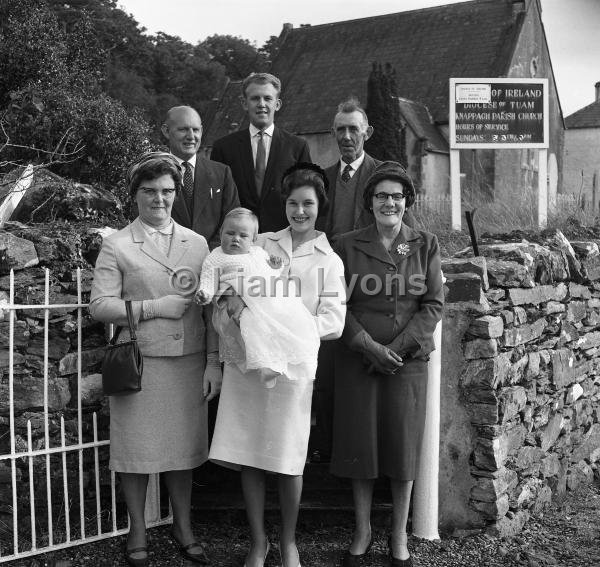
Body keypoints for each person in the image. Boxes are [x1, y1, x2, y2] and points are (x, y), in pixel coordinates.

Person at [208, 164, 346, 567]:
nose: (299, 211)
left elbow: (333, 322)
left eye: (307, 204)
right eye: (292, 203)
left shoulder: (329, 260)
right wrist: (230, 299)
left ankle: (288, 541)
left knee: (287, 457)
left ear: (320, 207)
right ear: (283, 206)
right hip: (247, 362)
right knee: (249, 451)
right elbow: (224, 280)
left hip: (293, 370)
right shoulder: (258, 243)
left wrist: (284, 333)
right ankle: (257, 541)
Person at [89, 152, 222, 567]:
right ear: (135, 195)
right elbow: (99, 305)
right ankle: (138, 531)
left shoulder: (198, 244)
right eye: (150, 191)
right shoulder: (118, 244)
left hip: (188, 360)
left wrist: (214, 361)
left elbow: (212, 309)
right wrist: (152, 307)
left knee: (183, 451)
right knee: (137, 451)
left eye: (167, 191)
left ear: (175, 193)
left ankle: (183, 527)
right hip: (140, 362)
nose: (159, 199)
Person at [330, 161, 443, 567]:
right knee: (361, 444)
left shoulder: (425, 243)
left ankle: (398, 535)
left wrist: (399, 347)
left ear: (407, 201)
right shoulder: (344, 244)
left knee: (403, 446)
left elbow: (432, 304)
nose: (390, 202)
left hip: (407, 362)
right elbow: (334, 304)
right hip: (359, 358)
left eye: (397, 196)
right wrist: (367, 346)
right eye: (382, 196)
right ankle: (362, 531)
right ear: (370, 202)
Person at [194, 207, 320, 388]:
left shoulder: (258, 253)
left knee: (286, 318)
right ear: (221, 233)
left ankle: (292, 354)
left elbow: (270, 274)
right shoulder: (216, 257)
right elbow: (208, 279)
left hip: (265, 297)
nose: (235, 238)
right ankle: (265, 366)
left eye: (243, 236)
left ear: (253, 239)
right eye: (230, 233)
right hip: (241, 301)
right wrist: (204, 294)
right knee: (251, 326)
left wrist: (276, 266)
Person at [210, 72, 311, 233]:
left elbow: (306, 196)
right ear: (244, 103)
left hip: (284, 235)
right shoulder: (224, 148)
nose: (261, 104)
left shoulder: (297, 147)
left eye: (268, 98)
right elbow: (216, 198)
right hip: (239, 237)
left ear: (277, 104)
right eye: (255, 98)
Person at [162, 105, 239, 249]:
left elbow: (233, 220)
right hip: (167, 260)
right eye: (183, 129)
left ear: (202, 131)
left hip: (213, 259)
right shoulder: (152, 172)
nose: (191, 136)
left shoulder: (222, 173)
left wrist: (209, 254)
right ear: (166, 131)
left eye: (195, 130)